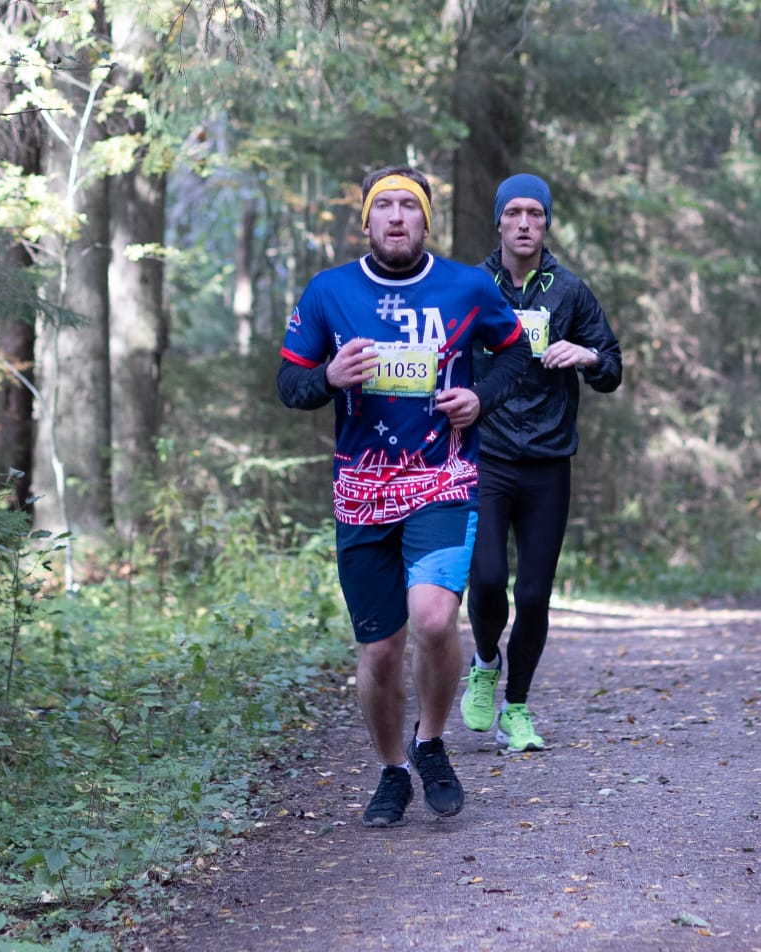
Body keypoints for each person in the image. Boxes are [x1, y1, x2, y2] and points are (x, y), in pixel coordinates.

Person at [277, 166, 531, 828]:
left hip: (442, 478)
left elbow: (515, 355)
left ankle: (432, 742)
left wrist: (480, 397)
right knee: (381, 650)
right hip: (361, 491)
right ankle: (393, 770)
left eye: (408, 206)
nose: (396, 217)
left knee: (435, 620)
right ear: (366, 221)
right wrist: (328, 376)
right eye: (384, 206)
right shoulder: (330, 291)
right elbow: (289, 383)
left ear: (425, 221)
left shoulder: (467, 287)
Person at [461, 173, 623, 752]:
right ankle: (485, 661)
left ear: (547, 222)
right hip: (486, 455)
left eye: (535, 213)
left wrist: (587, 355)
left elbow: (612, 366)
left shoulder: (570, 290)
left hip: (549, 461)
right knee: (486, 581)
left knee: (533, 594)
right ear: (499, 221)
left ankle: (517, 708)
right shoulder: (471, 286)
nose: (525, 223)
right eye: (515, 213)